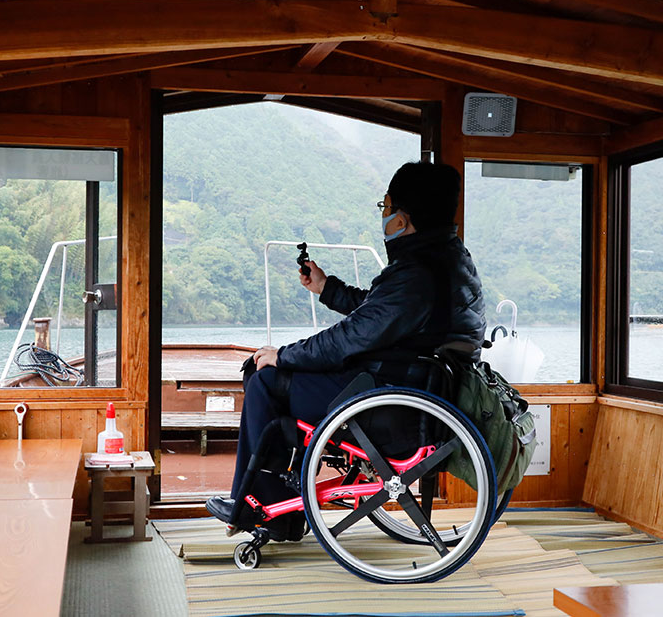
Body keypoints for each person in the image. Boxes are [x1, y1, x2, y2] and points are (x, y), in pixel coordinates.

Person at [205, 161, 486, 540]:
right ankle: (278, 507)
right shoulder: (450, 259)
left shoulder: (416, 271)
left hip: (389, 403)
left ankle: (263, 511)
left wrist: (283, 355)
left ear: (402, 219)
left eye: (385, 208)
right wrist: (328, 289)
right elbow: (382, 312)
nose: (383, 216)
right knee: (278, 379)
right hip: (414, 390)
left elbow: (350, 338)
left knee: (263, 380)